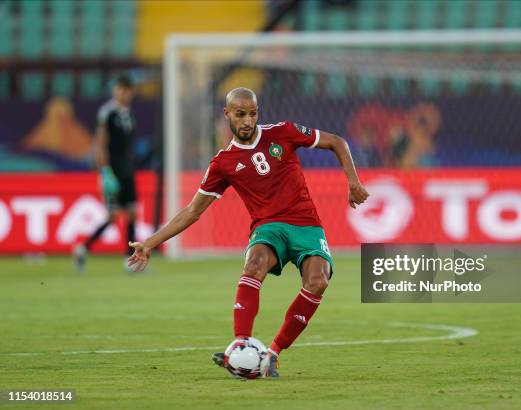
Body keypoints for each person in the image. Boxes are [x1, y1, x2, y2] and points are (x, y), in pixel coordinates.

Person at [127, 87, 369, 377]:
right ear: (227, 114)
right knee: (254, 264)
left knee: (318, 280)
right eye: (240, 114)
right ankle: (241, 345)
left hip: (306, 224)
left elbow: (337, 142)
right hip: (268, 228)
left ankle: (272, 354)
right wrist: (151, 243)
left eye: (252, 114)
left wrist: (353, 182)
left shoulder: (283, 132)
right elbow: (193, 211)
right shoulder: (222, 163)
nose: (247, 121)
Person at [73, 75, 137, 272]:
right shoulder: (107, 113)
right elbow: (100, 144)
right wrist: (105, 172)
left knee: (132, 214)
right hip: (113, 172)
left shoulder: (128, 114)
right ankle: (83, 249)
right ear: (114, 91)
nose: (122, 93)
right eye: (119, 89)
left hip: (127, 171)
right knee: (112, 216)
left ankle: (130, 262)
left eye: (126, 90)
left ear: (131, 92)